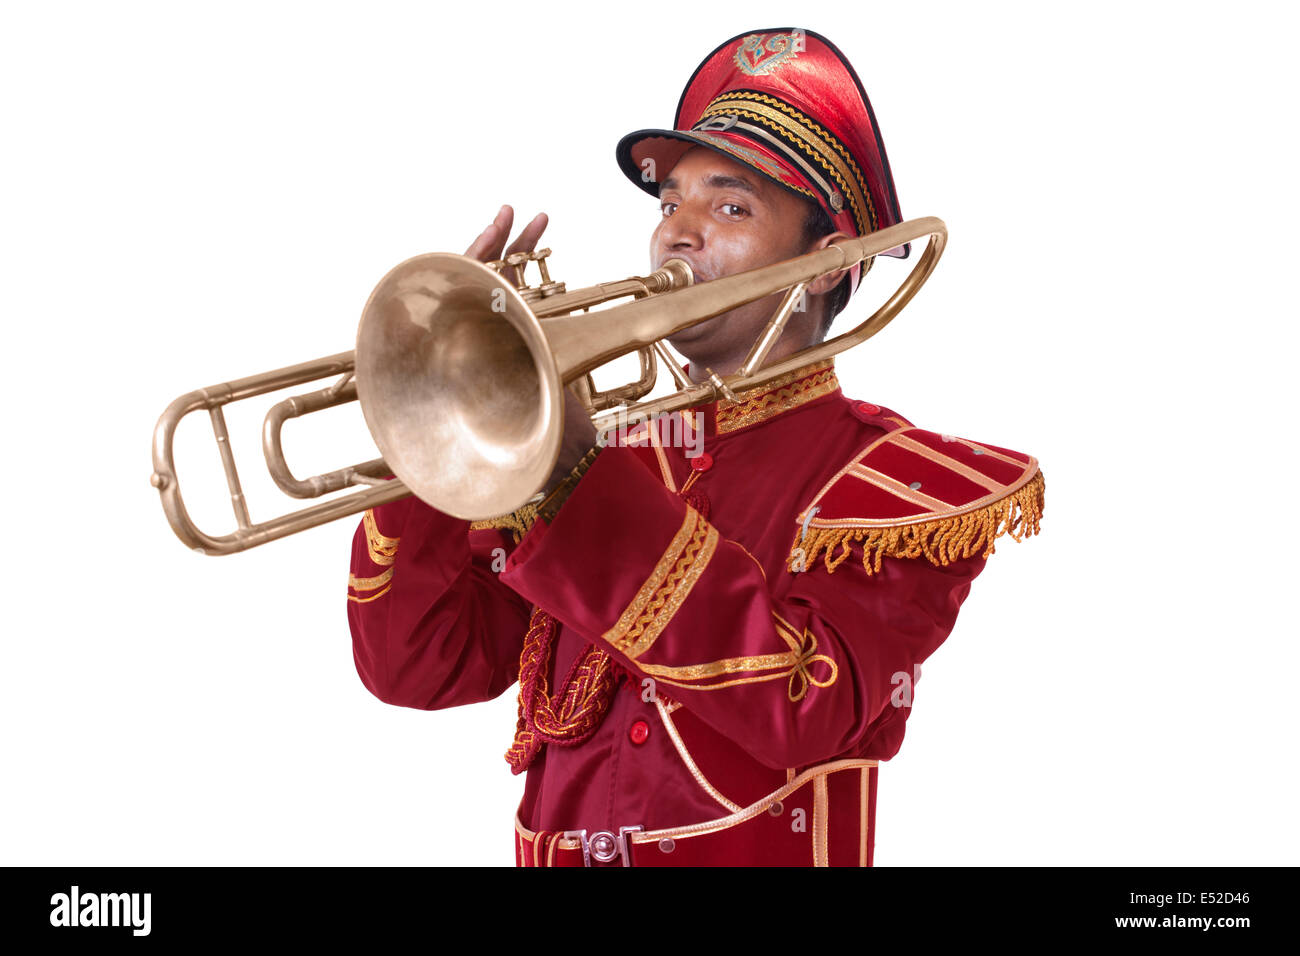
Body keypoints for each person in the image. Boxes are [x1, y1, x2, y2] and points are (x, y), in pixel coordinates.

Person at [346, 27, 1045, 867]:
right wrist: (441, 419)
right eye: (669, 203)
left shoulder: (898, 486)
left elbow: (802, 709)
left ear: (823, 266)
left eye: (731, 205)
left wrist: (579, 479)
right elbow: (419, 668)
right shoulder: (587, 455)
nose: (679, 231)